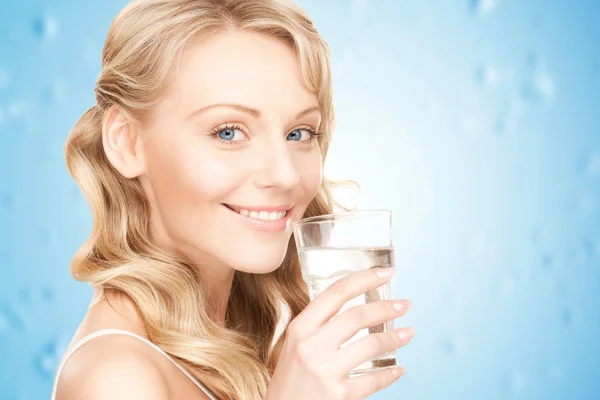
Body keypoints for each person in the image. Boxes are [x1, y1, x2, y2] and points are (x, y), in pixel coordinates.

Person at [51, 0, 415, 399]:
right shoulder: (119, 380)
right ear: (127, 142)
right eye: (228, 132)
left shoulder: (240, 346)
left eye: (299, 133)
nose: (285, 175)